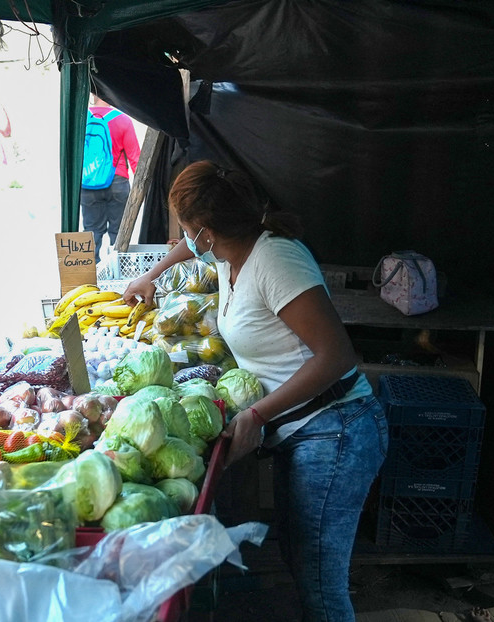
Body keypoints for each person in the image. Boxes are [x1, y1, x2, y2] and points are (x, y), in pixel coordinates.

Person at [123, 160, 387, 622]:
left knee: (320, 584)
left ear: (207, 230)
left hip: (336, 429)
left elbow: (336, 355)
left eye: (188, 229)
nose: (186, 239)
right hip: (304, 431)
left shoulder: (275, 260)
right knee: (299, 558)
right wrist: (153, 273)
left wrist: (258, 414)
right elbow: (187, 248)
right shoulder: (229, 252)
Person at [82, 93, 141, 263]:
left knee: (92, 232)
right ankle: (119, 271)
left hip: (88, 184)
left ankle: (91, 276)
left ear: (93, 94)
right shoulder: (123, 120)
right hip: (118, 182)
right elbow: (135, 157)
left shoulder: (81, 119)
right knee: (119, 232)